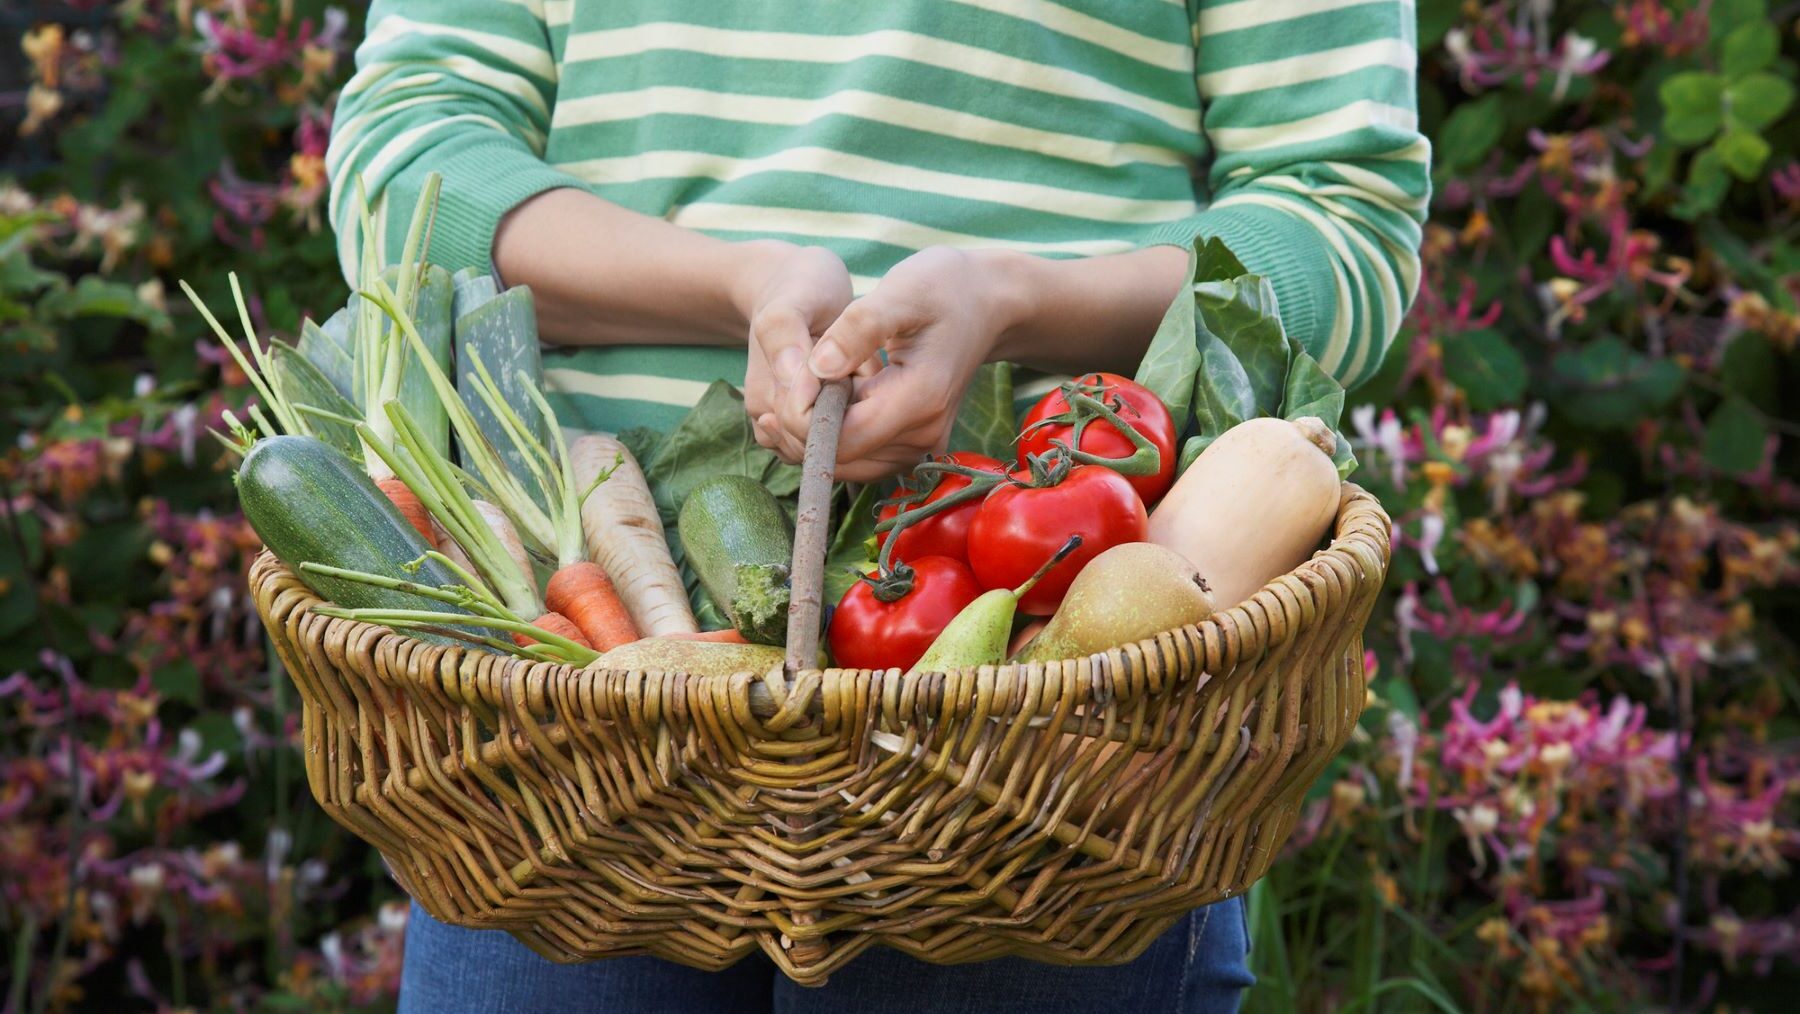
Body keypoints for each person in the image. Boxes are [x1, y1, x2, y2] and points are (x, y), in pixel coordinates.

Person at [326, 0, 1427, 1009]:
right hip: (557, 721)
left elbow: (1344, 221)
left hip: (1058, 749)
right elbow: (403, 167)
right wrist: (734, 284)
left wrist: (1013, 301)